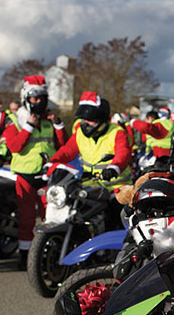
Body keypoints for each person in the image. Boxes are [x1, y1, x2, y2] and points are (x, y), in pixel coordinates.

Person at [3, 76, 68, 269]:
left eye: (42, 97)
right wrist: (29, 126)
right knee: (27, 218)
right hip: (26, 175)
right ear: (26, 97)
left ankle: (49, 256)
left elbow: (63, 145)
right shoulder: (15, 119)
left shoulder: (49, 118)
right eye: (34, 98)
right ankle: (25, 257)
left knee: (52, 218)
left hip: (48, 175)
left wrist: (57, 124)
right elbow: (14, 146)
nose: (38, 102)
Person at [47, 91, 133, 228]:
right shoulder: (80, 133)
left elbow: (123, 153)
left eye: (90, 120)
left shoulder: (117, 132)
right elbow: (68, 150)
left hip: (116, 188)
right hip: (91, 185)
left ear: (102, 119)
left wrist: (113, 168)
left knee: (115, 221)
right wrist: (52, 162)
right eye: (84, 119)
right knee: (73, 210)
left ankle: (115, 248)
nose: (85, 123)